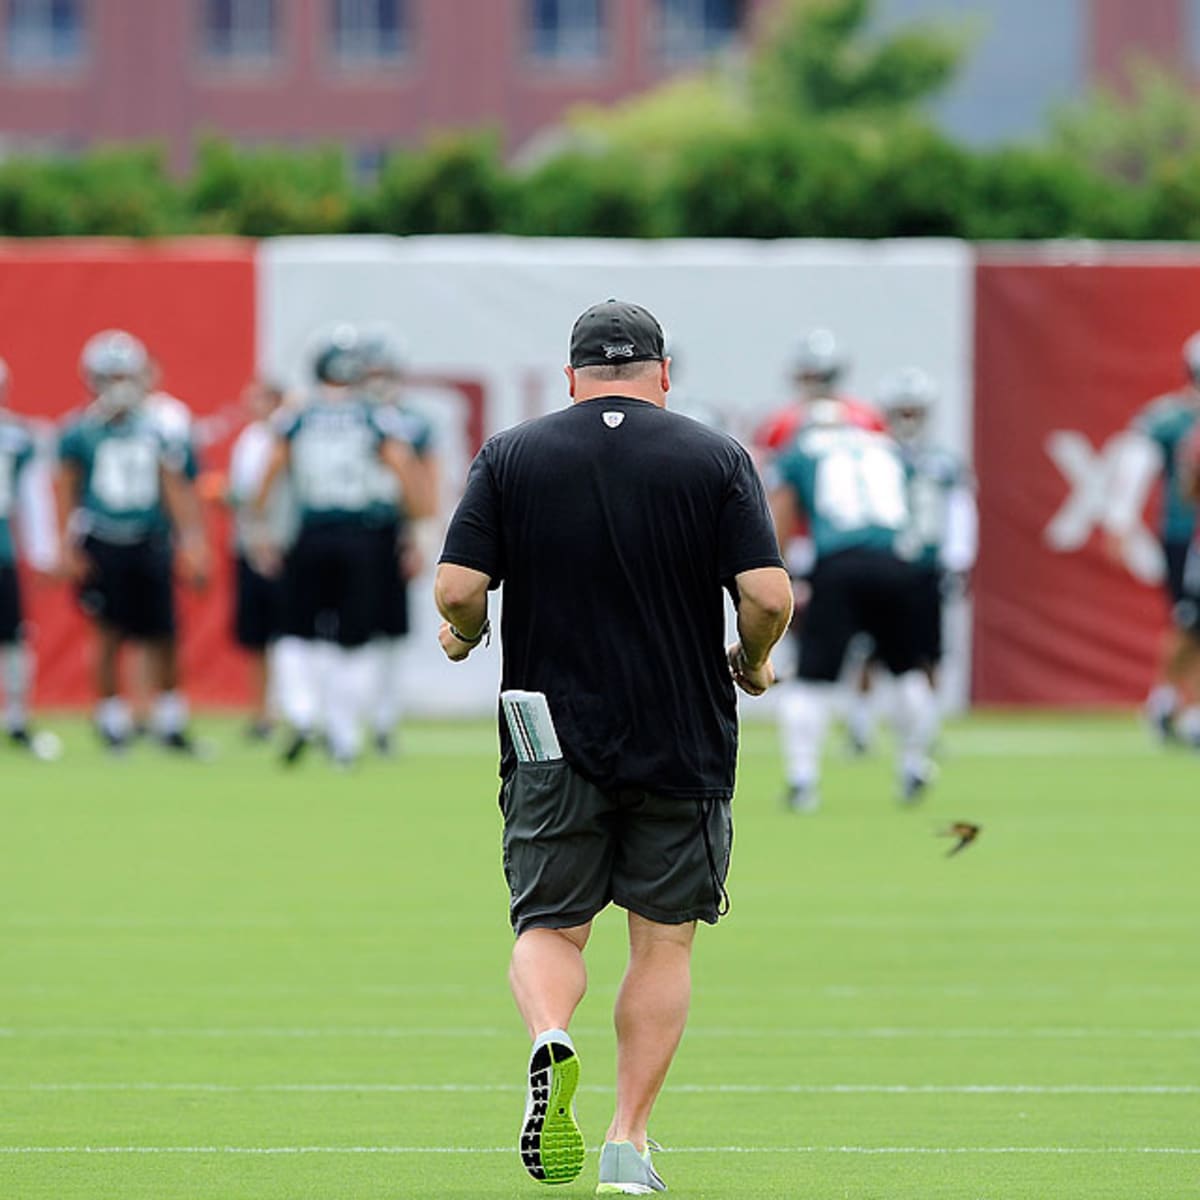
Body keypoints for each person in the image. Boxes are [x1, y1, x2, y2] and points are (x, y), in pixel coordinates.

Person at [434, 300, 792, 1194]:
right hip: (682, 732)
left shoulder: (514, 454)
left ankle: (552, 1036)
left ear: (572, 377)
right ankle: (627, 1142)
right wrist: (750, 660)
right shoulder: (714, 457)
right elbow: (770, 594)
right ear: (664, 374)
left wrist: (465, 631)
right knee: (663, 943)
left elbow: (456, 585)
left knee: (550, 925)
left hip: (550, 731)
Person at [254, 324, 433, 768]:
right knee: (355, 638)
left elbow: (270, 472)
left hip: (312, 531)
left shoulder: (297, 414)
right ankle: (345, 736)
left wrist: (261, 527)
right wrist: (419, 524)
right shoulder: (376, 414)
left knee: (297, 630)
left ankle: (301, 710)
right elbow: (403, 467)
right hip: (364, 536)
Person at [768, 397, 938, 811]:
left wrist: (778, 571)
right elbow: (919, 508)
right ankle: (915, 764)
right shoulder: (886, 449)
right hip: (898, 564)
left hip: (840, 565)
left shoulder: (802, 450)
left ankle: (802, 777)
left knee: (812, 678)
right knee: (905, 670)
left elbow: (784, 511)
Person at [54, 330, 210, 753]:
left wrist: (192, 542)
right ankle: (112, 723)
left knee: (164, 633)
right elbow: (66, 488)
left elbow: (174, 488)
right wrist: (66, 547)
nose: (119, 384)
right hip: (103, 540)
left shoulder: (159, 426)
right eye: (111, 375)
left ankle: (171, 722)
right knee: (107, 634)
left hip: (150, 539)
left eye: (125, 374)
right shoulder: (79, 430)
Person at [841, 367, 977, 752]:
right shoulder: (871, 455)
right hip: (882, 562)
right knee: (867, 648)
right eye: (901, 411)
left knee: (927, 651)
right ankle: (861, 725)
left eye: (914, 412)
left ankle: (925, 729)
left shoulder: (943, 462)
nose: (907, 420)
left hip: (925, 566)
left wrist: (959, 558)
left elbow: (961, 511)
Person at [1108, 332, 1200, 741]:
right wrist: (1121, 519)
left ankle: (1168, 701)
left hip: (1186, 535)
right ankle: (1177, 704)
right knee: (1188, 618)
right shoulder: (1170, 417)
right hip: (1188, 536)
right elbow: (1134, 467)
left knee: (1189, 621)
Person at [360, 326, 439, 756]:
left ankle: (384, 718)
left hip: (389, 529)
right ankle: (337, 719)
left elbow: (426, 480)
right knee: (342, 631)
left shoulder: (412, 421)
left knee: (389, 630)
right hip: (345, 529)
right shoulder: (342, 415)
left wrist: (421, 537)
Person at [226, 377, 294, 739]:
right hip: (249, 543)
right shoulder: (250, 438)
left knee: (291, 634)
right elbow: (245, 493)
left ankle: (291, 709)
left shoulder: (292, 436)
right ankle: (262, 712)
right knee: (258, 636)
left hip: (284, 544)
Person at [0, 359, 60, 757]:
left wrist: (44, 552)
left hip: (1, 548)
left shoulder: (15, 437)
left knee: (13, 635)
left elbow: (34, 498)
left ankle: (18, 718)